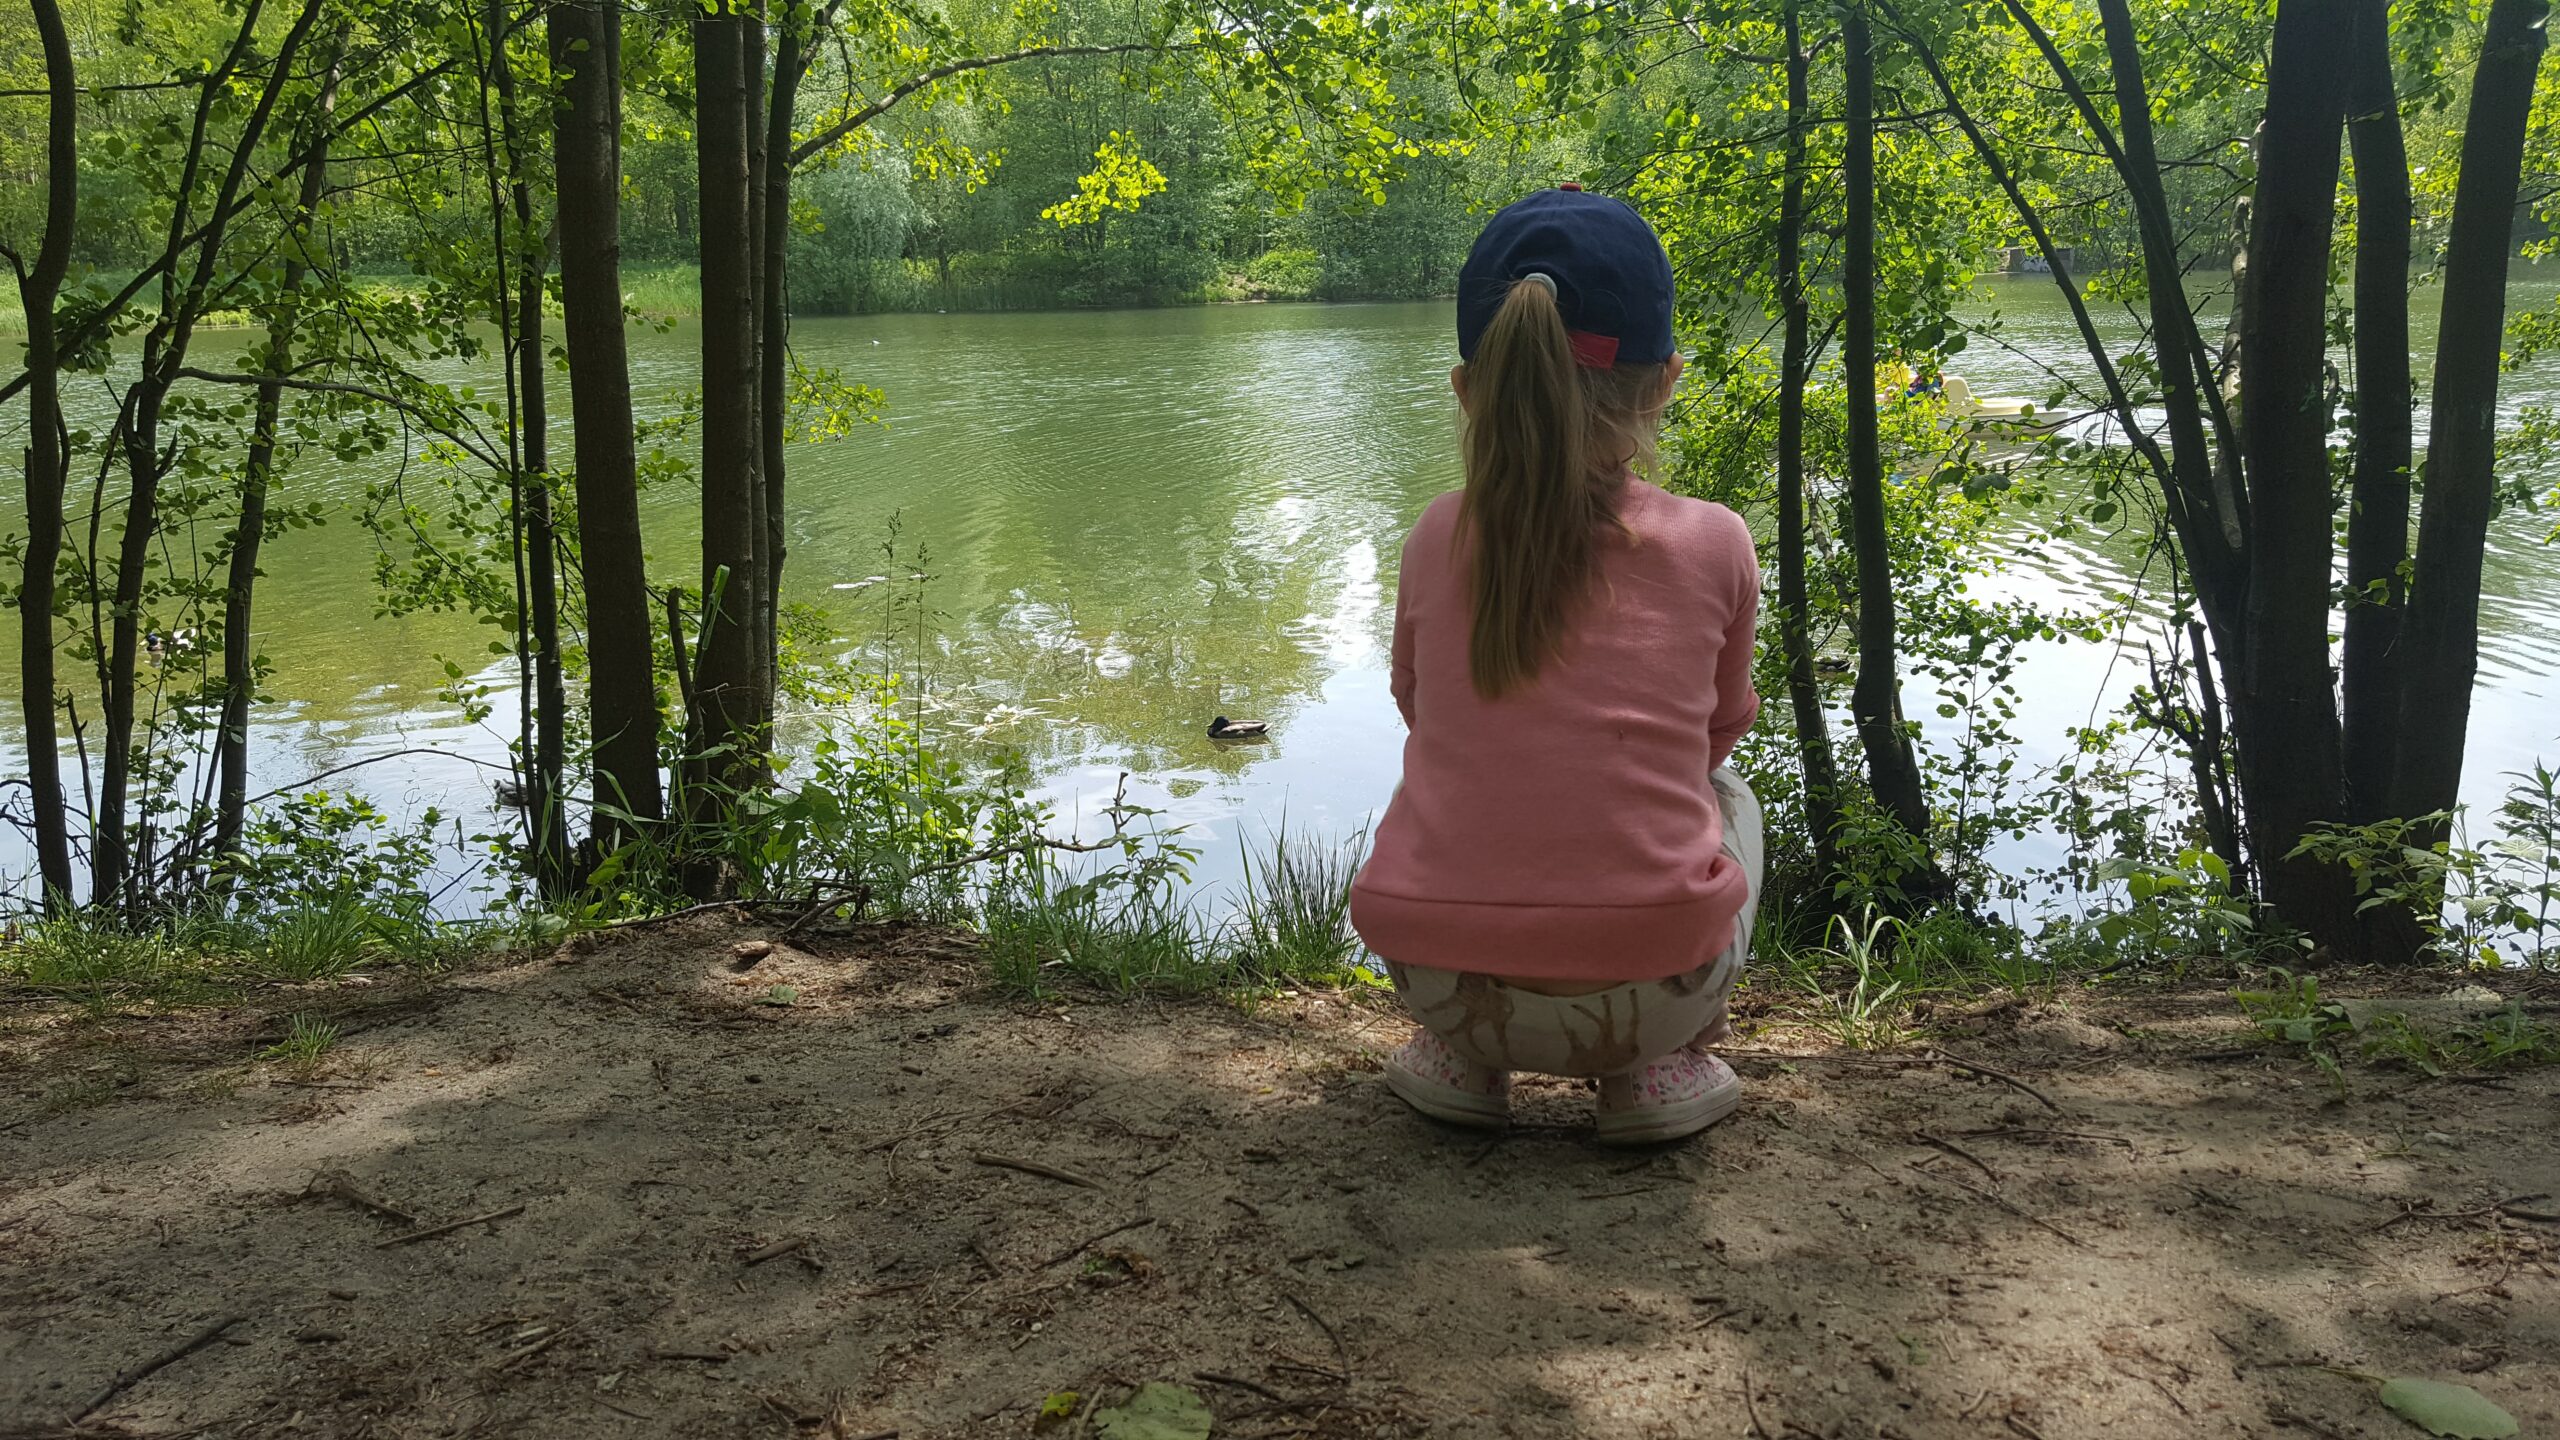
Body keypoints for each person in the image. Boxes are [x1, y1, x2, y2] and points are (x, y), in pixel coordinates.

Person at [1349, 185, 1764, 1147]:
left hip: (1438, 979)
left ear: (1466, 387)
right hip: (1650, 984)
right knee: (1730, 794)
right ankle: (1663, 1063)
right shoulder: (1716, 541)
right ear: (1666, 381)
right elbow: (1715, 731)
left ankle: (1461, 1062)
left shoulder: (1432, 537)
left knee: (1458, 772)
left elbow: (1419, 707)